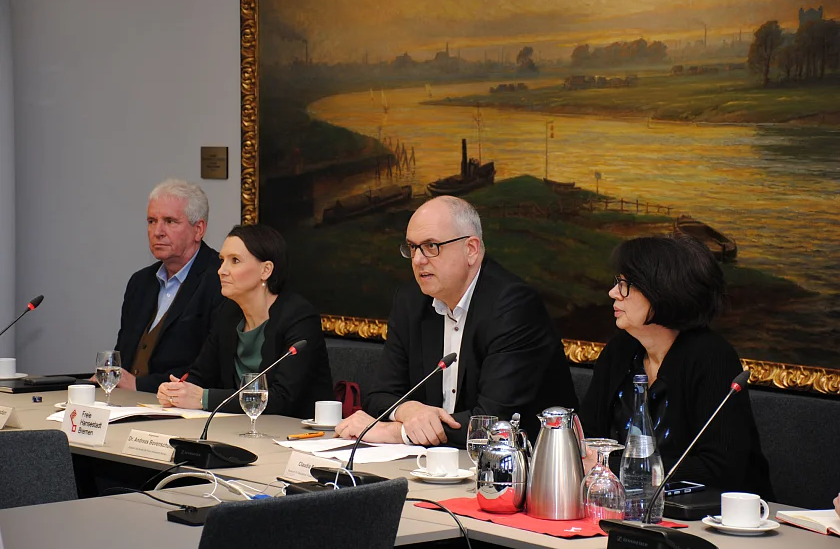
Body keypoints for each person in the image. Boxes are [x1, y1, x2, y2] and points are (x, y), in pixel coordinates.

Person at [335, 196, 578, 447]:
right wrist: (409, 412)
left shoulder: (513, 305)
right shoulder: (411, 300)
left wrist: (399, 433)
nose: (418, 260)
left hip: (519, 469)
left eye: (431, 246)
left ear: (471, 249)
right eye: (412, 247)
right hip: (435, 465)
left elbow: (492, 423)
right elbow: (379, 395)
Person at [580, 235, 774, 498]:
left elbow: (720, 468)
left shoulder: (711, 357)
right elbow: (588, 438)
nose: (613, 292)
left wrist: (613, 469)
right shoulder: (621, 350)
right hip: (623, 507)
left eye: (624, 284)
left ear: (662, 290)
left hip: (715, 519)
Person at [157, 224, 333, 418]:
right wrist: (177, 391)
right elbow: (200, 376)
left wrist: (202, 398)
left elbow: (283, 399)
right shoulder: (228, 313)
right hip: (238, 428)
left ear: (266, 270)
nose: (221, 270)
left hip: (297, 434)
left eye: (235, 261)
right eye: (222, 260)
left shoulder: (299, 317)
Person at [114, 179, 225, 393]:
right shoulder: (140, 282)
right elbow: (123, 358)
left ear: (198, 229)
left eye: (170, 221)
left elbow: (211, 370)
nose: (158, 231)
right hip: (127, 405)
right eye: (152, 221)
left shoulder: (220, 279)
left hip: (183, 411)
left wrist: (139, 385)